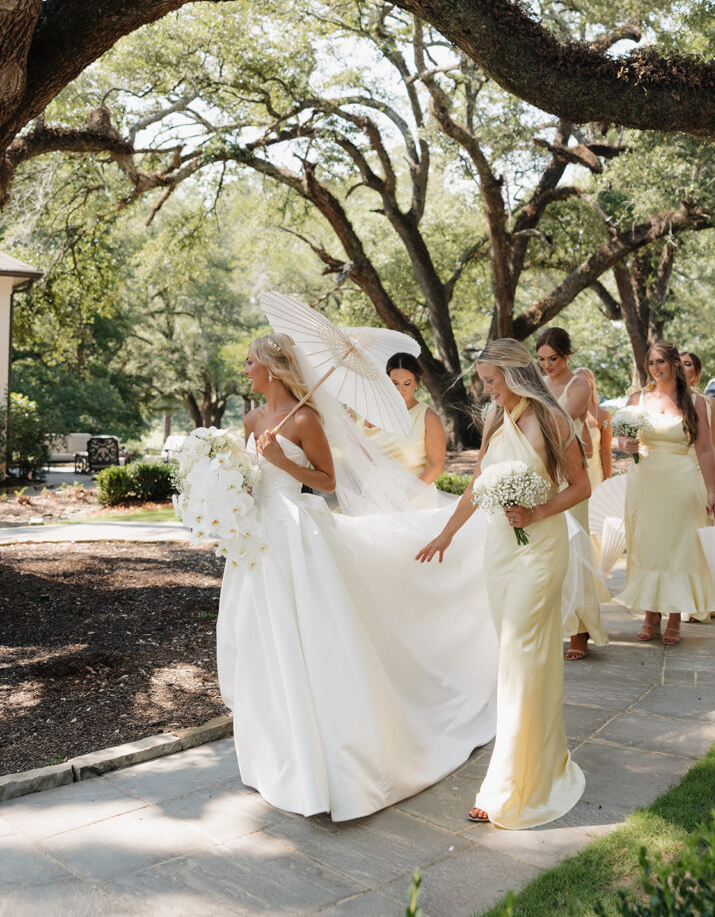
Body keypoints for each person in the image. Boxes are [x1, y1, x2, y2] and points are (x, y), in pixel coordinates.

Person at [215, 333, 498, 821]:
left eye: (250, 362)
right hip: (257, 537)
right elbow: (254, 477)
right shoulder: (251, 418)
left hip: (295, 534)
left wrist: (282, 462)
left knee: (310, 632)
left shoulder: (305, 419)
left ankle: (337, 755)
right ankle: (276, 751)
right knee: (262, 634)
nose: (245, 370)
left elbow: (327, 480)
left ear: (273, 368)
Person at [417, 338, 588, 829]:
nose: (486, 390)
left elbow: (581, 486)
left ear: (515, 375)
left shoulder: (552, 418)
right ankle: (542, 761)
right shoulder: (495, 419)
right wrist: (446, 533)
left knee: (520, 653)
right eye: (484, 381)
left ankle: (509, 783)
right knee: (519, 658)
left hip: (541, 547)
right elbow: (476, 484)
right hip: (500, 550)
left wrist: (536, 510)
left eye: (491, 381)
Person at [618, 341, 715, 644]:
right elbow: (621, 438)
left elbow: (705, 449)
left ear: (675, 363)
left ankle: (675, 616)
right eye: (651, 363)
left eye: (661, 362)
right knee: (649, 546)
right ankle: (650, 614)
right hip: (646, 482)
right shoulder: (637, 399)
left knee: (679, 548)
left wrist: (711, 490)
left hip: (682, 482)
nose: (656, 368)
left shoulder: (695, 402)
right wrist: (625, 445)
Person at [536, 329, 609, 660]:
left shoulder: (579, 386)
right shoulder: (536, 384)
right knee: (545, 547)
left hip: (570, 473)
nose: (548, 365)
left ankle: (581, 628)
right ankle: (551, 622)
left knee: (574, 545)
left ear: (567, 355)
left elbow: (557, 420)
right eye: (541, 359)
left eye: (553, 358)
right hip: (541, 470)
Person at [361, 352, 447, 484]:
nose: (400, 390)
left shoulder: (428, 418)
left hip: (414, 497)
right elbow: (361, 458)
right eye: (395, 383)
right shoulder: (372, 414)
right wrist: (348, 427)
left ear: (416, 382)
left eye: (407, 383)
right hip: (375, 494)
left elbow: (436, 465)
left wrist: (406, 498)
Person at [680, 351, 715, 498]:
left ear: (696, 372)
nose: (682, 368)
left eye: (688, 364)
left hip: (699, 467)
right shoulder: (666, 400)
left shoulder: (710, 403)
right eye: (679, 363)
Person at [574, 366, 612, 488]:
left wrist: (608, 481)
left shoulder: (603, 415)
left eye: (585, 381)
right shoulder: (566, 412)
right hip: (571, 477)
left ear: (591, 385)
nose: (581, 385)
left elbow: (606, 452)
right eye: (577, 382)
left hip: (595, 476)